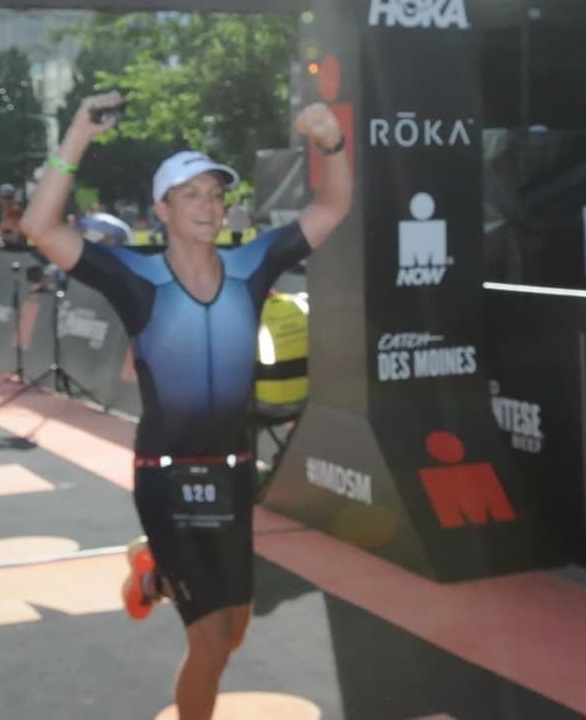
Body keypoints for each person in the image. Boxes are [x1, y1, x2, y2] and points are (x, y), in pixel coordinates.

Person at [18, 91, 350, 720]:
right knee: (209, 642)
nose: (208, 204)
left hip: (233, 471)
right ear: (161, 210)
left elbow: (334, 205)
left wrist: (331, 143)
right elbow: (39, 228)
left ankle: (153, 571)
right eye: (191, 194)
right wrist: (76, 140)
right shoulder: (134, 275)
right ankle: (162, 568)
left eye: (215, 193)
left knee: (236, 632)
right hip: (167, 477)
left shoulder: (252, 263)